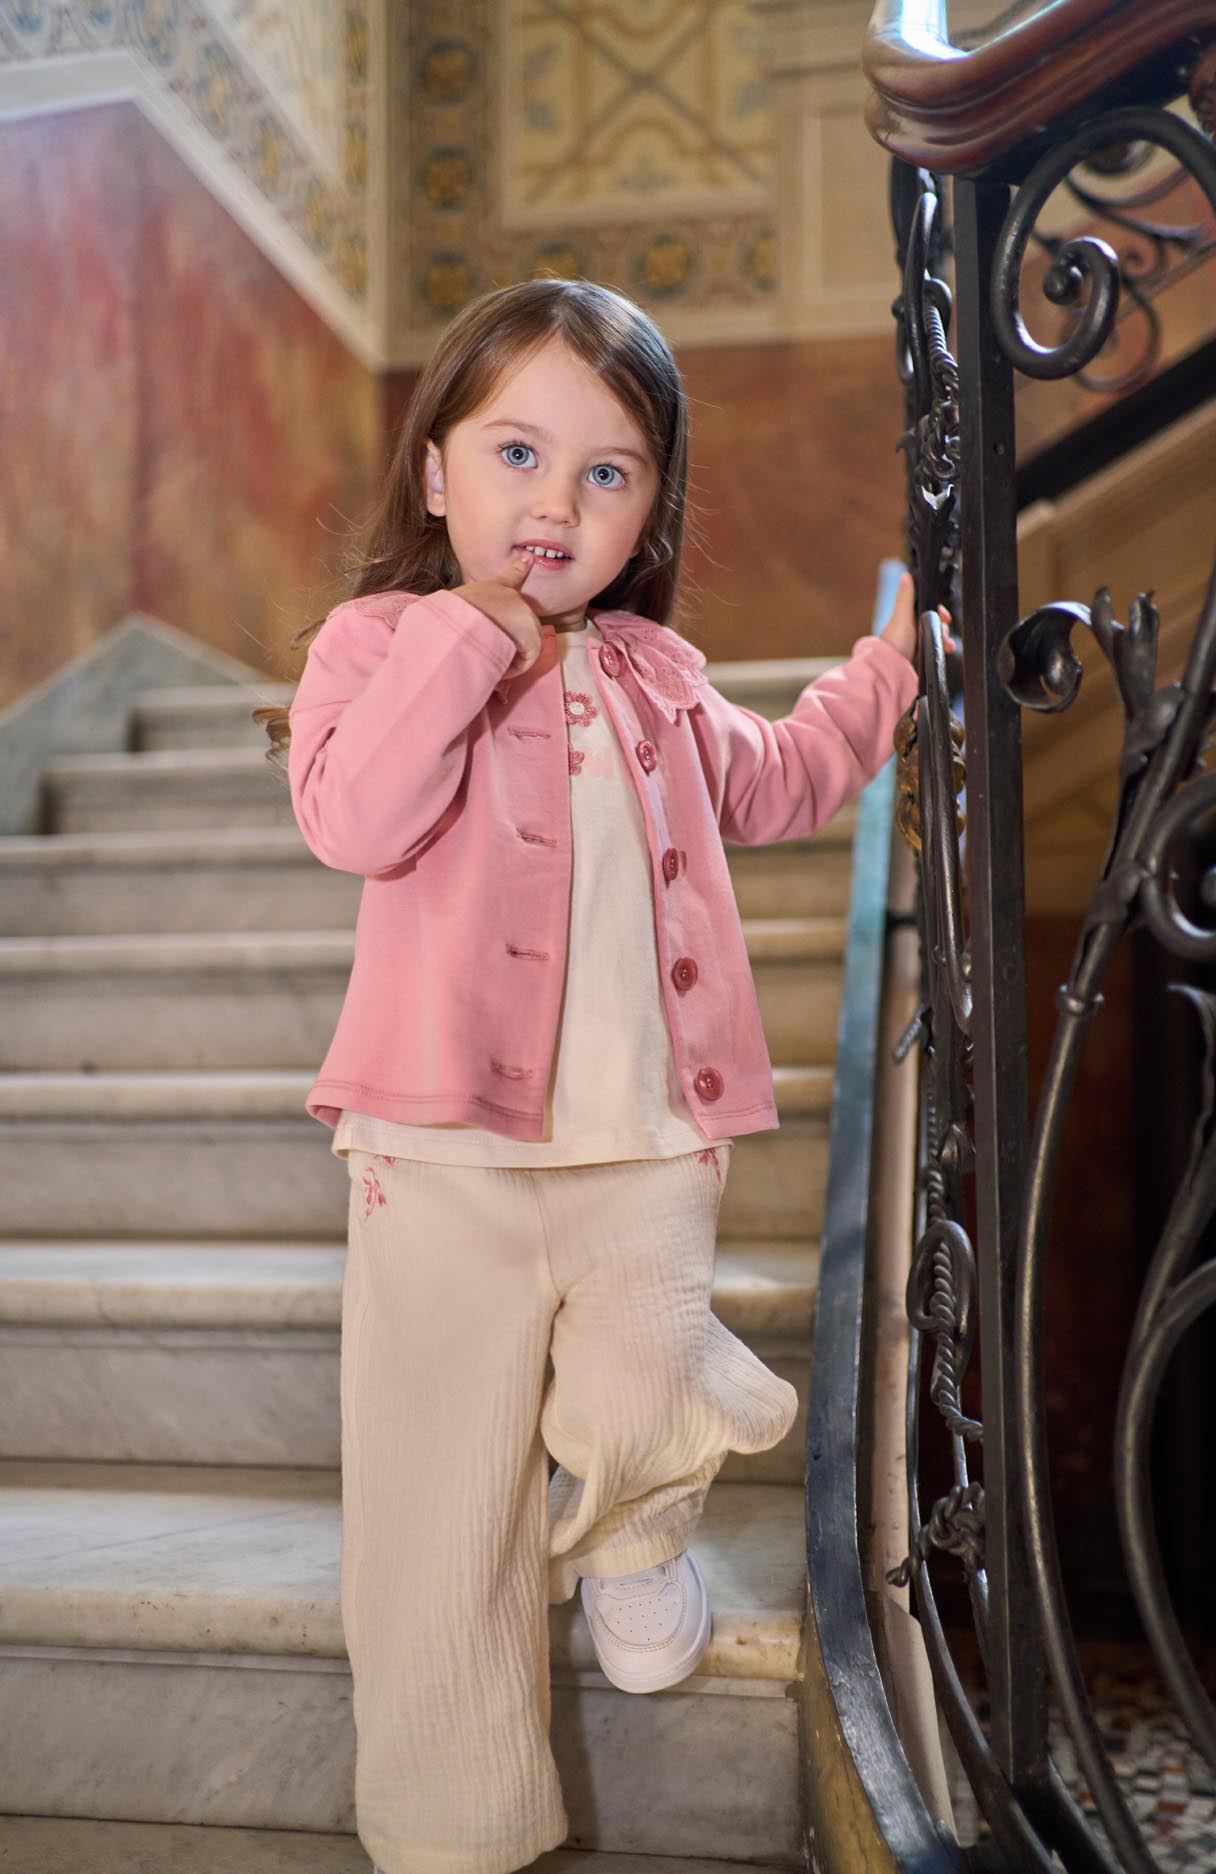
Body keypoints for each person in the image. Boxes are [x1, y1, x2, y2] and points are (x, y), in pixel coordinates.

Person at [257, 276, 921, 1874]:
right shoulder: (377, 645)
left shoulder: (657, 674)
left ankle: (634, 1526)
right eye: (516, 454)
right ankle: (452, 1828)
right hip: (438, 1156)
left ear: (647, 511)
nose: (555, 503)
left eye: (605, 471)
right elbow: (353, 818)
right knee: (436, 1508)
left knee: (650, 1366)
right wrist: (461, 634)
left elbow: (779, 783)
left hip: (644, 1140)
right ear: (435, 471)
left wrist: (888, 674)